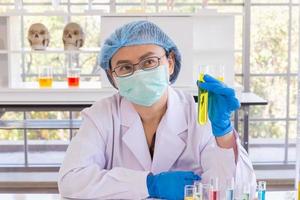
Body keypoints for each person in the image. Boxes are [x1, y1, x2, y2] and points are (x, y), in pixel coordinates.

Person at [58, 20, 256, 199]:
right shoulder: (102, 115)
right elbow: (71, 181)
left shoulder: (199, 116)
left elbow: (236, 192)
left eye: (149, 62)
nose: (139, 73)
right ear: (113, 77)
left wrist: (224, 135)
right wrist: (149, 184)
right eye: (125, 68)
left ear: (169, 63)